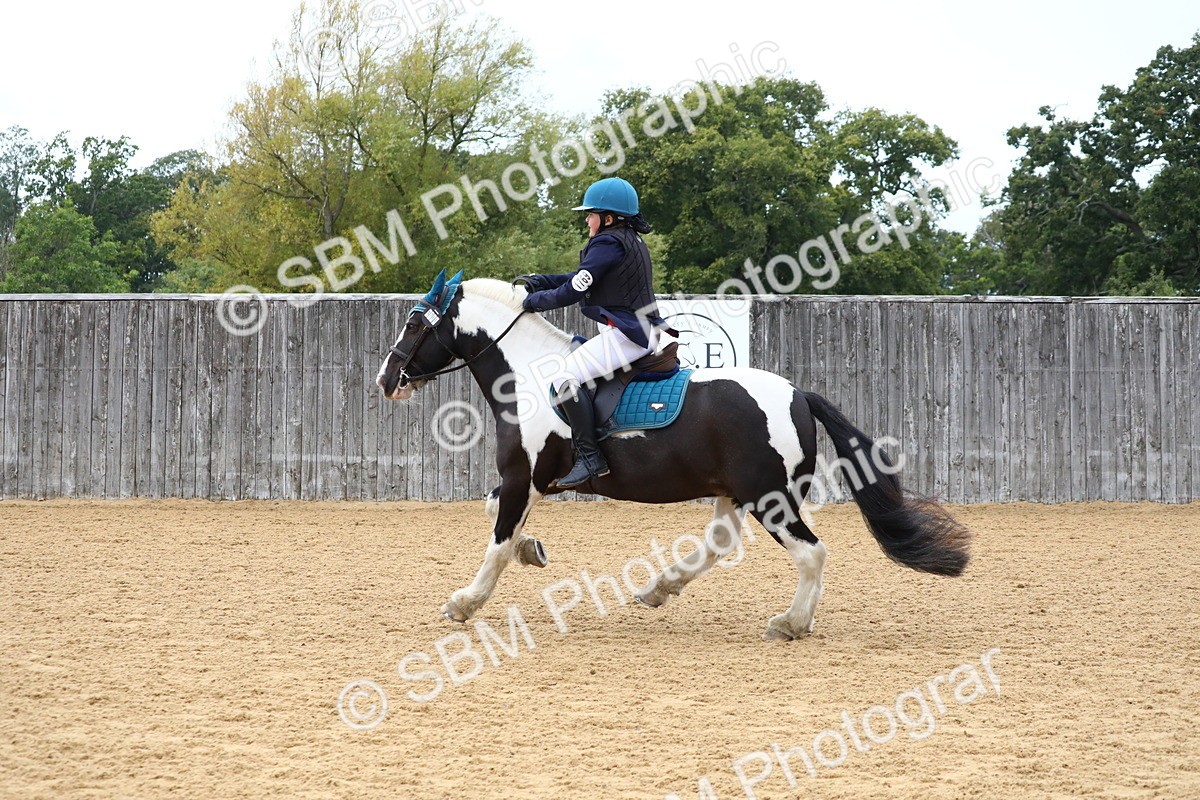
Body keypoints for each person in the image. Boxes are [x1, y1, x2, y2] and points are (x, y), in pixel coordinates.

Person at [517, 176, 666, 489]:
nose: (587, 219)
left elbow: (573, 290)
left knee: (562, 378)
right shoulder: (629, 240)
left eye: (591, 214)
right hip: (641, 331)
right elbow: (580, 277)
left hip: (629, 336)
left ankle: (590, 457)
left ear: (608, 218)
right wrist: (540, 280)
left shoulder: (608, 242)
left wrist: (530, 302)